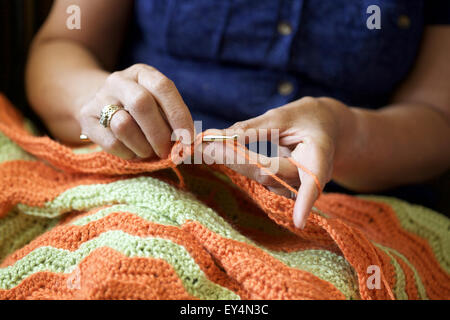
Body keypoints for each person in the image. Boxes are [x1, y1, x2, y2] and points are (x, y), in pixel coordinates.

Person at [26, 0, 450, 228]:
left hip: (351, 207)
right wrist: (104, 104)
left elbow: (436, 119)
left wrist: (345, 130)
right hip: (143, 183)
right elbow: (62, 45)